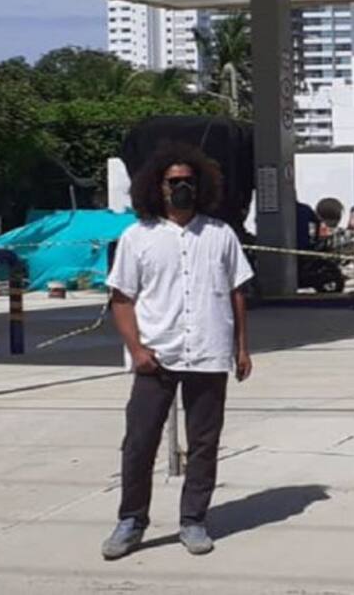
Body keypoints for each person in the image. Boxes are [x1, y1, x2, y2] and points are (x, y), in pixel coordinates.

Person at [101, 142, 254, 560]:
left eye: (188, 181)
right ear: (157, 187)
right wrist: (137, 349)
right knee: (139, 442)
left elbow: (238, 292)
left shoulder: (221, 235)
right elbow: (121, 298)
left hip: (209, 352)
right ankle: (131, 520)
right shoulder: (137, 237)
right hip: (156, 356)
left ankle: (194, 520)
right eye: (173, 182)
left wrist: (241, 348)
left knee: (204, 443)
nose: (181, 188)